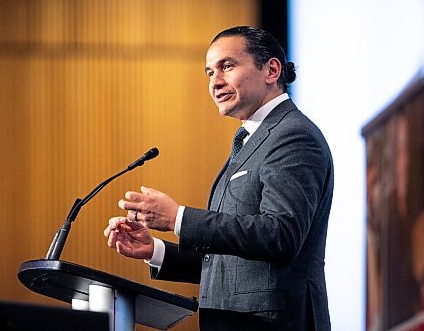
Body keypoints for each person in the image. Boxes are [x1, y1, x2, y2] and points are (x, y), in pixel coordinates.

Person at [104, 26, 334, 330]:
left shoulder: (293, 136)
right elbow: (233, 264)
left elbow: (281, 234)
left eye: (227, 66)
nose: (215, 82)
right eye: (209, 72)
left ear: (271, 69)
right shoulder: (252, 140)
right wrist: (156, 250)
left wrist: (179, 218)